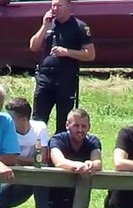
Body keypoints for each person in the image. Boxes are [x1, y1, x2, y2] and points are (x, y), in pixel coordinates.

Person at [28, 0, 94, 128]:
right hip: (45, 77)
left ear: (69, 6)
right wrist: (44, 26)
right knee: (38, 118)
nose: (54, 9)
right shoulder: (49, 24)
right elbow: (33, 46)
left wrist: (67, 52)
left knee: (64, 119)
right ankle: (37, 145)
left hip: (66, 77)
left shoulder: (79, 26)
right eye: (52, 5)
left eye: (59, 5)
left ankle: (61, 145)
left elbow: (90, 54)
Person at [0, 97, 48, 208]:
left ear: (24, 119)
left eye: (11, 118)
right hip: (6, 179)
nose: (6, 121)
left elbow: (40, 159)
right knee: (0, 195)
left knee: (43, 178)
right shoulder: (3, 129)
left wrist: (14, 159)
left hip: (28, 180)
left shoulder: (39, 129)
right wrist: (20, 159)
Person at [44, 108, 102, 208]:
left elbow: (98, 162)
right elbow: (59, 161)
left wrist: (91, 164)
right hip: (52, 197)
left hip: (77, 196)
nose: (80, 130)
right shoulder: (57, 139)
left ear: (89, 127)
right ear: (67, 125)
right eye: (76, 125)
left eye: (84, 126)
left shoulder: (93, 141)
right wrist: (78, 166)